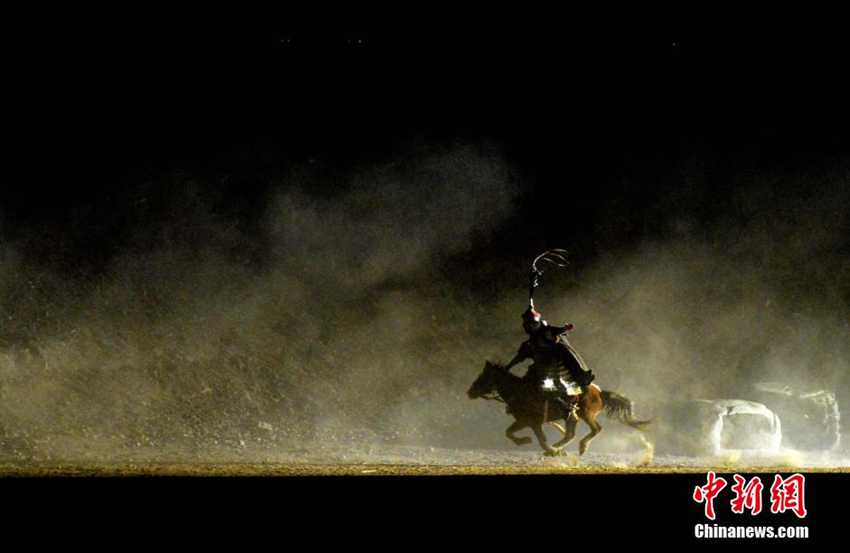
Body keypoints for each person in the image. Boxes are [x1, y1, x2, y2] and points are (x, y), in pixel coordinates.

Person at [504, 306, 596, 421]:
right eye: (527, 324)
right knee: (526, 384)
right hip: (539, 367)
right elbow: (521, 356)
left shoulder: (547, 334)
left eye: (530, 323)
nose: (528, 326)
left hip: (555, 367)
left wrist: (564, 328)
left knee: (552, 388)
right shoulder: (531, 342)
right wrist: (509, 366)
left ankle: (567, 408)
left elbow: (557, 333)